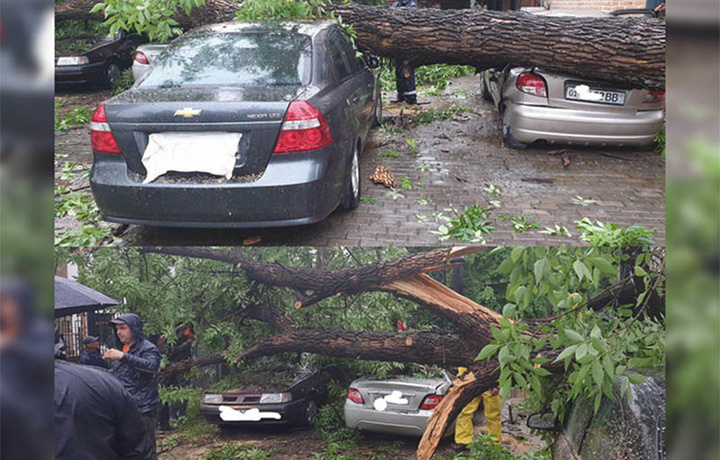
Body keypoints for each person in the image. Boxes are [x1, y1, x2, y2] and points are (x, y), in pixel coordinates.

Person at [55, 359, 153, 460]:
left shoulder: (101, 378)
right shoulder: (99, 378)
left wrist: (124, 357)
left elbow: (151, 366)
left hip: (140, 400)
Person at [104, 314, 161, 460]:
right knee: (125, 448)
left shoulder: (148, 348)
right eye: (117, 329)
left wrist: (123, 357)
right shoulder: (121, 348)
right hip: (123, 408)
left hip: (143, 409)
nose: (119, 332)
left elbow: (151, 366)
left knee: (146, 449)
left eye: (123, 328)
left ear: (134, 329)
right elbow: (121, 375)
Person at [453, 367, 502, 451]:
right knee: (465, 412)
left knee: (493, 414)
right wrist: (462, 377)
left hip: (490, 384)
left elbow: (498, 366)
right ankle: (463, 440)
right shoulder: (467, 354)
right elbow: (463, 365)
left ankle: (493, 441)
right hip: (472, 383)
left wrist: (496, 385)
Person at [391, 0, 418, 105]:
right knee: (398, 71)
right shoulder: (395, 5)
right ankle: (401, 95)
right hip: (397, 46)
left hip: (407, 46)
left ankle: (411, 98)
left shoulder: (412, 6)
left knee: (407, 71)